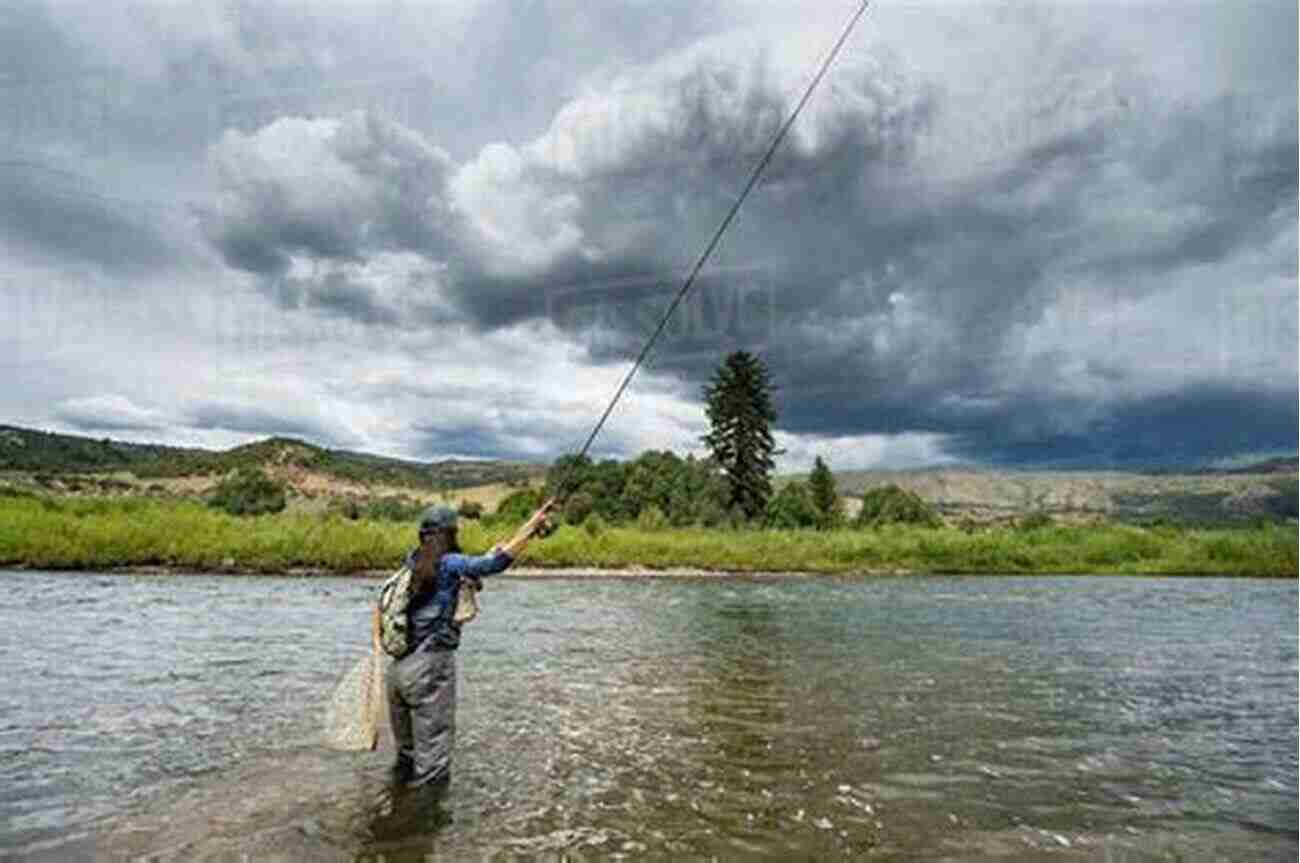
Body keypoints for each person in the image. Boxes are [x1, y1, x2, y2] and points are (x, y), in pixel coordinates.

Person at [386, 499, 553, 793]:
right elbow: (495, 564)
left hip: (398, 671)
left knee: (407, 758)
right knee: (432, 768)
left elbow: (475, 566)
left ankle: (394, 814)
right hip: (429, 670)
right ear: (451, 535)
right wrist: (531, 530)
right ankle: (425, 829)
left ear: (422, 535)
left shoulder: (412, 562)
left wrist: (527, 526)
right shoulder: (449, 564)